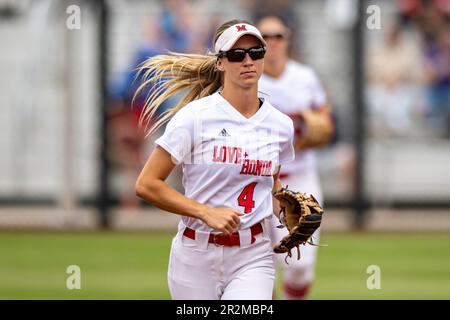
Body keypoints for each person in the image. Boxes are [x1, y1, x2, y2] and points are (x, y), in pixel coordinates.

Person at [134, 19, 295, 299]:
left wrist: (288, 210)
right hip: (195, 253)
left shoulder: (280, 125)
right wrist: (205, 212)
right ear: (220, 62)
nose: (248, 61)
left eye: (256, 52)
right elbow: (147, 184)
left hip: (253, 254)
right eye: (236, 54)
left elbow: (269, 181)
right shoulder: (194, 118)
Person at [256, 15, 334, 300]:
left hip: (301, 177)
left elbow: (325, 118)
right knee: (259, 265)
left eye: (278, 36)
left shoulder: (304, 77)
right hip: (259, 180)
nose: (272, 42)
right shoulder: (248, 79)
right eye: (266, 36)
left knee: (300, 264)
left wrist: (320, 127)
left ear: (287, 40)